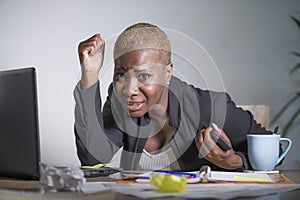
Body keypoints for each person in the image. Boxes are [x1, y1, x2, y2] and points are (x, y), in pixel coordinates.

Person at [74, 23, 273, 172]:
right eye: (120, 75)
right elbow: (92, 157)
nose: (129, 89)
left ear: (167, 73)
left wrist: (235, 161)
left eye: (144, 76)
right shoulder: (120, 102)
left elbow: (274, 149)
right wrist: (90, 76)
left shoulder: (209, 107)